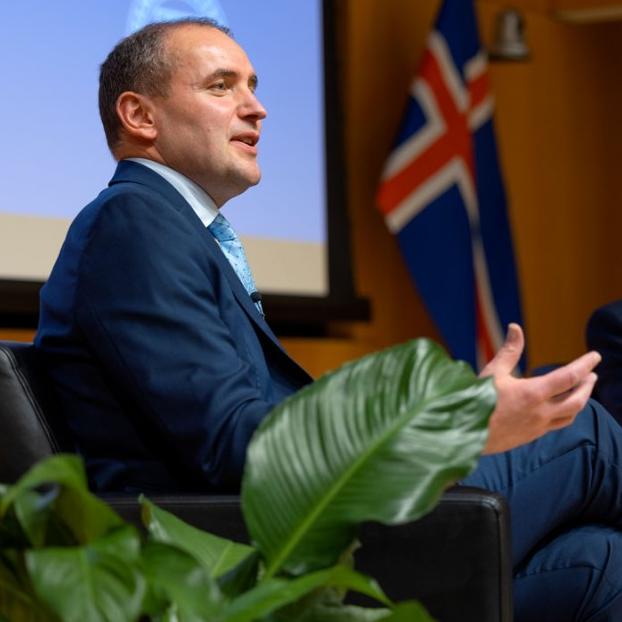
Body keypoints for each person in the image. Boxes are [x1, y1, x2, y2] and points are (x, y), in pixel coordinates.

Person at [34, 18, 622, 620]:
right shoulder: (134, 224)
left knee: (599, 560)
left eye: (254, 86)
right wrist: (451, 429)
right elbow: (236, 447)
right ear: (140, 116)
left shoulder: (170, 230)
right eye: (221, 86)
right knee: (587, 435)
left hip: (273, 532)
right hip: (249, 558)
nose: (257, 108)